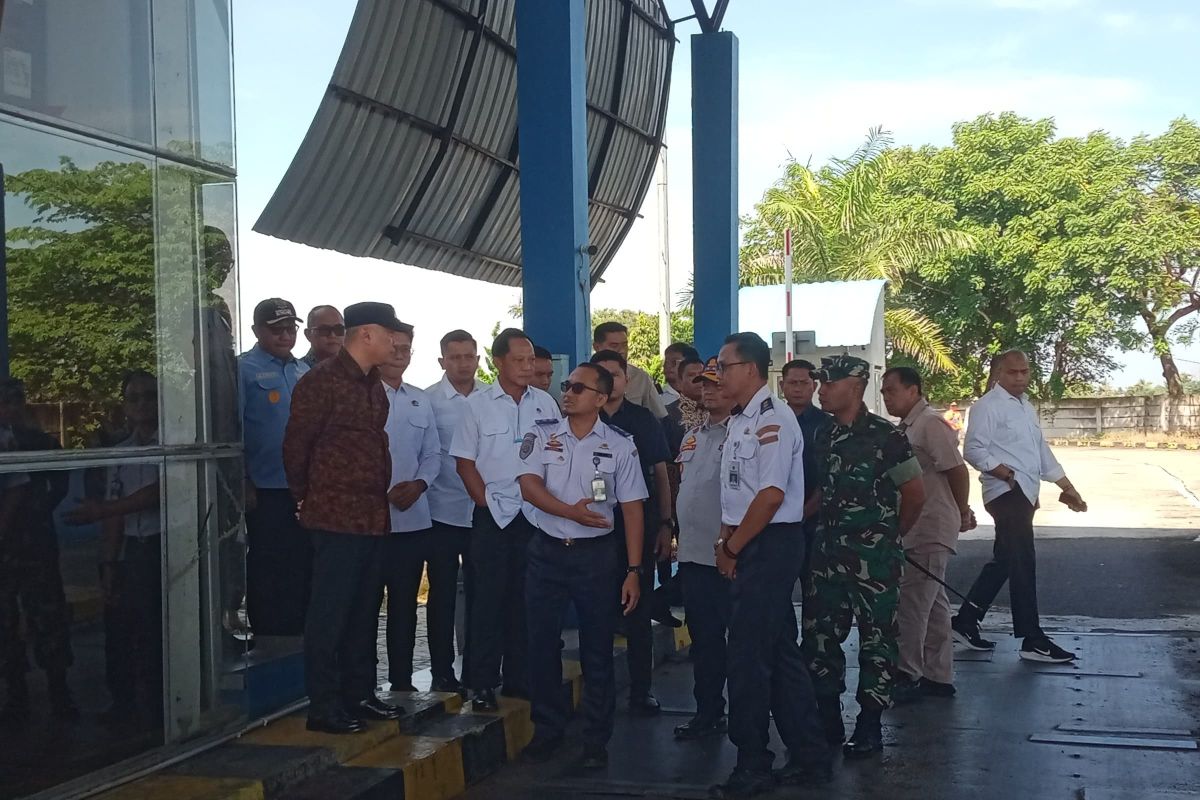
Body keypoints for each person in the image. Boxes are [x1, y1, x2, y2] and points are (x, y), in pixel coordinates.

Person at [710, 333, 831, 798]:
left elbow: (771, 495)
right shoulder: (741, 420)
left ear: (752, 369)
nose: (718, 373)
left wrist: (733, 548)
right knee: (779, 652)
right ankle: (809, 753)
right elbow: (737, 490)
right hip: (748, 540)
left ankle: (752, 762)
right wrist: (727, 537)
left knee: (746, 657)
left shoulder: (773, 418)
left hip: (768, 545)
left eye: (724, 365)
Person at [284, 301, 406, 734]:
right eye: (389, 333)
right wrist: (304, 497)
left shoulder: (374, 384)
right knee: (330, 615)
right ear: (367, 335)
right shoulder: (322, 382)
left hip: (373, 516)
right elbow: (296, 446)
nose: (396, 342)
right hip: (335, 517)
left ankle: (360, 694)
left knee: (363, 612)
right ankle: (324, 706)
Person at [517, 363, 647, 770]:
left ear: (601, 398)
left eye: (578, 387)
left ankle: (595, 740)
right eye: (566, 385)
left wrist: (634, 570)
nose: (567, 392)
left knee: (597, 650)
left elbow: (632, 509)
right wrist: (568, 512)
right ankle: (548, 729)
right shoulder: (541, 435)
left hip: (596, 558)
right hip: (547, 552)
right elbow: (529, 486)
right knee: (540, 644)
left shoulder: (621, 445)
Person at [801, 354, 926, 759]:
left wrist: (888, 538)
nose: (822, 390)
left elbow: (914, 494)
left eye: (829, 383)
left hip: (874, 560)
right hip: (827, 556)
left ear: (854, 387)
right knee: (820, 638)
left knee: (877, 640)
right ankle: (827, 717)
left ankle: (869, 725)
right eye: (820, 383)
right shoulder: (823, 435)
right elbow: (823, 491)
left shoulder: (886, 436)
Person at [952, 349, 1087, 664]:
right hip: (1005, 492)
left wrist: (1066, 486)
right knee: (1023, 561)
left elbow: (1040, 451)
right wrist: (1004, 472)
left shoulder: (1025, 408)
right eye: (1013, 372)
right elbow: (973, 449)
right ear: (999, 372)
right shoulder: (987, 407)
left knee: (1006, 561)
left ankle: (965, 621)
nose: (1020, 378)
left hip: (1025, 493)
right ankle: (1032, 639)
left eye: (1025, 372)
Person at [451, 328, 560, 712]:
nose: (528, 367)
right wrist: (486, 504)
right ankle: (480, 682)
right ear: (498, 362)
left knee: (527, 601)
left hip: (534, 515)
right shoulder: (476, 406)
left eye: (531, 360)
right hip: (493, 518)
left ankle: (520, 677)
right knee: (486, 602)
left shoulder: (546, 404)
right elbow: (464, 463)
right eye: (520, 360)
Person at [65, 371, 163, 725]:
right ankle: (123, 705)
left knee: (156, 631)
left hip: (163, 545)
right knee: (121, 627)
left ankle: (159, 707)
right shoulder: (121, 451)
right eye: (132, 397)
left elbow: (156, 494)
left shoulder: (174, 443)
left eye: (148, 396)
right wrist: (108, 564)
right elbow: (115, 511)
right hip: (131, 550)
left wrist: (104, 510)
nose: (141, 404)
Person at [881, 367, 975, 701]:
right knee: (932, 604)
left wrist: (962, 510)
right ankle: (938, 674)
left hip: (930, 525)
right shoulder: (908, 427)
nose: (886, 397)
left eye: (892, 390)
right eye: (884, 391)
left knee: (912, 603)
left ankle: (909, 673)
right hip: (919, 525)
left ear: (914, 390)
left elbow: (957, 470)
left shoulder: (930, 424)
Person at [591, 350, 672, 714]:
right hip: (592, 531)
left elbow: (660, 473)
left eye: (616, 375)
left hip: (637, 530)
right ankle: (600, 696)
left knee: (637, 615)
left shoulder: (643, 420)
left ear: (626, 380)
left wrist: (666, 524)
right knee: (598, 616)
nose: (610, 382)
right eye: (602, 375)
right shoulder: (578, 419)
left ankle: (641, 691)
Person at [0, 378, 76, 724]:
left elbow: (59, 482)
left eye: (14, 402)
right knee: (5, 624)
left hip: (35, 545)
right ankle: (16, 694)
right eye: (4, 403)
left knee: (48, 617)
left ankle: (59, 691)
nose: (9, 410)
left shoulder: (36, 442)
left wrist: (40, 508)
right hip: (8, 549)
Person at [377, 323, 447, 693]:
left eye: (407, 348)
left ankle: (401, 681)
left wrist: (419, 484)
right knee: (365, 607)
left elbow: (432, 452)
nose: (401, 353)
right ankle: (359, 684)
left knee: (404, 606)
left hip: (414, 517)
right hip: (371, 520)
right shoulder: (363, 395)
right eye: (395, 346)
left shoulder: (421, 398)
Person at [238, 298, 312, 636]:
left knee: (301, 559)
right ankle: (267, 631)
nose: (285, 335)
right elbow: (232, 428)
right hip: (265, 486)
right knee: (267, 560)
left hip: (304, 487)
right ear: (256, 331)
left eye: (290, 328)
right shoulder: (243, 369)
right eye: (276, 329)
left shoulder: (304, 372)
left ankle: (298, 629)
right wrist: (242, 479)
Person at [671, 357, 733, 741]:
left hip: (729, 556)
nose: (707, 390)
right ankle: (708, 710)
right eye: (702, 384)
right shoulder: (693, 435)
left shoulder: (741, 434)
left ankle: (753, 715)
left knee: (743, 642)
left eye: (714, 384)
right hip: (693, 557)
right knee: (705, 642)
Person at [425, 330, 485, 692]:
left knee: (482, 594)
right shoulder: (428, 401)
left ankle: (478, 669)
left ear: (478, 360)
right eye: (455, 357)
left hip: (483, 511)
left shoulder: (492, 399)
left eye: (469, 356)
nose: (463, 363)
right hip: (441, 512)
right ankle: (442, 671)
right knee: (442, 595)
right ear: (442, 361)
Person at [781, 359, 833, 595]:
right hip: (776, 520)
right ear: (782, 385)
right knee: (776, 591)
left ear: (814, 386)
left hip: (815, 523)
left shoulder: (827, 425)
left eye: (804, 382)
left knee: (816, 592)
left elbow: (829, 477)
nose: (798, 388)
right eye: (793, 382)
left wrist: (805, 511)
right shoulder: (772, 421)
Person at [592, 322, 667, 419]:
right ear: (597, 347)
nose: (622, 351)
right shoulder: (582, 377)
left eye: (625, 345)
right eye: (614, 346)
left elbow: (661, 417)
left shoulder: (640, 378)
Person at [661, 342, 699, 408]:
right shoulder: (656, 398)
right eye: (666, 362)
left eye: (674, 362)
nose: (668, 366)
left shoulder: (703, 395)